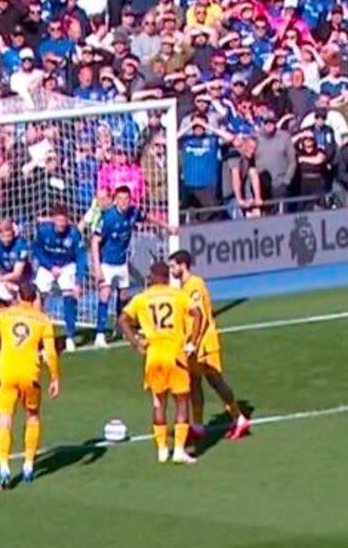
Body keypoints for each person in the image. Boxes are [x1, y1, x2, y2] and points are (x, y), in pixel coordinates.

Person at [0, 281, 62, 488]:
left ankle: (4, 467)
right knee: (33, 416)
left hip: (6, 373)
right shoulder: (43, 320)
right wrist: (55, 377)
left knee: (4, 421)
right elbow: (51, 353)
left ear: (18, 297)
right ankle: (28, 465)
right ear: (35, 298)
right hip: (30, 375)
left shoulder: (3, 316)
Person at [169, 250, 252, 443]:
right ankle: (198, 426)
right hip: (194, 344)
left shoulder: (195, 285)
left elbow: (201, 316)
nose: (171, 270)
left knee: (215, 381)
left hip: (204, 344)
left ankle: (239, 418)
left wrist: (193, 342)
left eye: (173, 266)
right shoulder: (185, 286)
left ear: (183, 265)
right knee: (194, 382)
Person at [118, 261, 196, 464]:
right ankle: (179, 450)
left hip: (154, 356)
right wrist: (192, 342)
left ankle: (162, 450)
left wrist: (135, 342)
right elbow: (197, 314)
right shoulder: (178, 295)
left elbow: (122, 320)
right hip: (175, 355)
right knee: (181, 402)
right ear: (167, 277)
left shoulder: (142, 298)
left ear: (153, 277)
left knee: (158, 401)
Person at [89, 185, 146, 348]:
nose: (123, 202)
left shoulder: (133, 212)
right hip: (107, 263)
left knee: (123, 296)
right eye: (120, 199)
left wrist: (166, 227)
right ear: (115, 200)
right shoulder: (108, 218)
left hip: (122, 262)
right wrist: (97, 267)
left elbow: (147, 217)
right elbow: (95, 241)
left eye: (126, 199)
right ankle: (99, 335)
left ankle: (119, 327)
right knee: (105, 295)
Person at [31, 204, 87, 350]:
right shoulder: (43, 231)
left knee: (69, 296)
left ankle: (70, 335)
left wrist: (78, 281)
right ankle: (38, 334)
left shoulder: (74, 234)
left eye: (64, 221)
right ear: (53, 219)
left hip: (67, 265)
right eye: (58, 220)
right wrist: (50, 266)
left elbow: (81, 257)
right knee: (37, 297)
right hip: (48, 266)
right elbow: (36, 250)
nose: (61, 224)